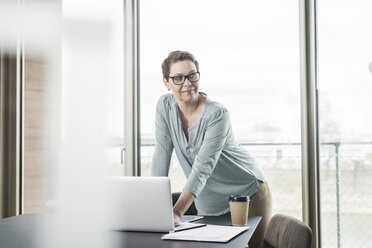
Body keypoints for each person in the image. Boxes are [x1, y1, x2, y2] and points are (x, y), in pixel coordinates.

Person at [151, 50, 271, 248]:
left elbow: (202, 167)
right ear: (166, 82)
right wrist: (154, 207)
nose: (187, 83)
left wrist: (177, 211)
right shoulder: (164, 106)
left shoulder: (218, 114)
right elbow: (161, 154)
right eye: (178, 78)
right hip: (208, 200)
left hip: (246, 193)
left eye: (192, 75)